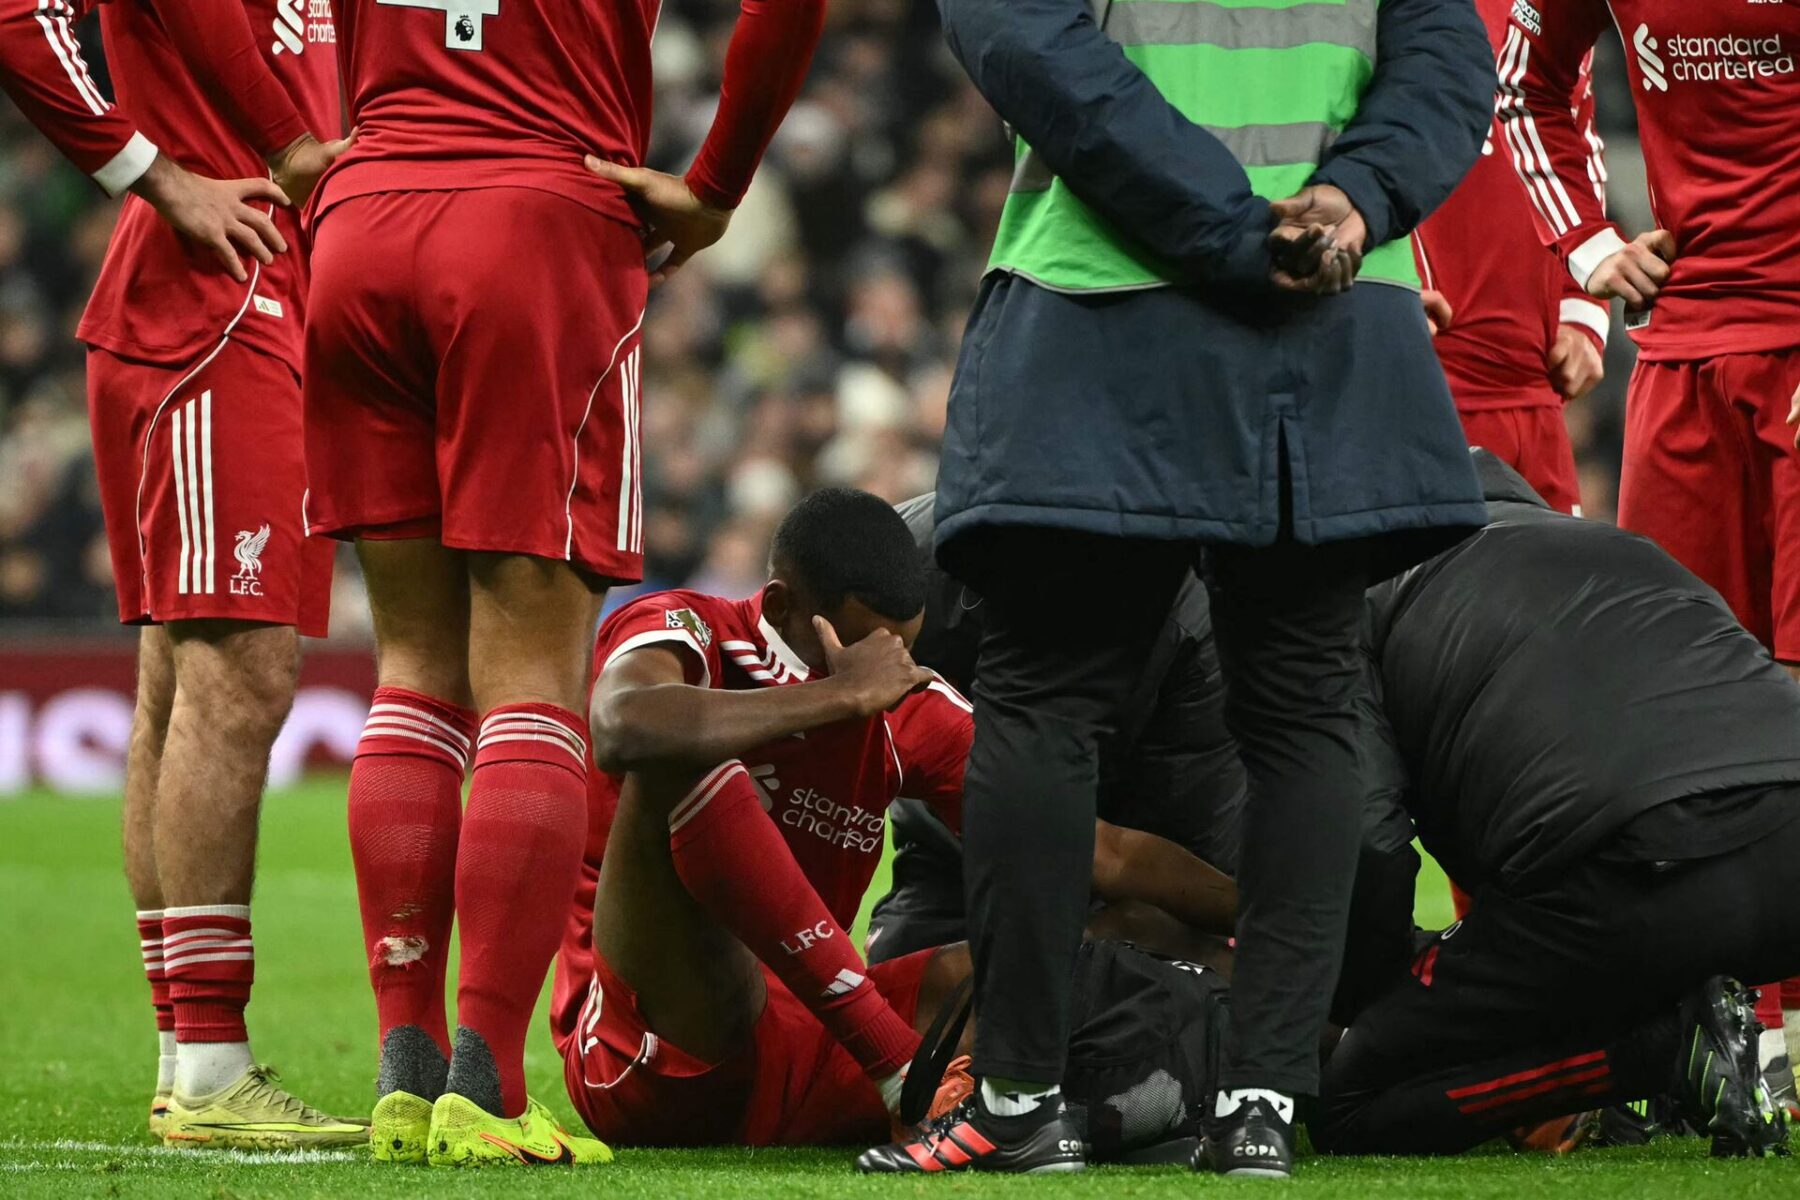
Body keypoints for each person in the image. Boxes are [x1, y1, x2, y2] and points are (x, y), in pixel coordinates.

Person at [860, 0, 1497, 1177]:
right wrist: (1347, 206)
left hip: (1104, 309)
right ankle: (1261, 1101)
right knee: (1304, 711)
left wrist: (1230, 230)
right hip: (1332, 312)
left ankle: (1018, 1102)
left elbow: (1024, 45)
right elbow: (1455, 58)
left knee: (1044, 702)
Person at [302, 0, 827, 1167]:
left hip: (363, 219)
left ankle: (407, 1064)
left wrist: (294, 139)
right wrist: (721, 182)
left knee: (415, 672)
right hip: (538, 223)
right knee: (530, 681)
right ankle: (482, 1088)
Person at [557, 488, 1238, 1160]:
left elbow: (1099, 852)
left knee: (1128, 941)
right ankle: (902, 1073)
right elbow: (623, 728)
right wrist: (838, 696)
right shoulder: (688, 629)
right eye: (860, 650)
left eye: (901, 650)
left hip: (815, 1047)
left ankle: (1314, 1060)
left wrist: (1279, 920)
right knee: (684, 758)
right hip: (652, 1058)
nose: (886, 672)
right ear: (781, 606)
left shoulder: (903, 699)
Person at [2, 0, 360, 1149]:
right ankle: (209, 1065)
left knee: (177, 683)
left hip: (264, 300)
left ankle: (187, 1057)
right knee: (240, 683)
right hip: (210, 311)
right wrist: (153, 174)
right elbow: (21, 17)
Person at [1315, 451, 1800, 1158]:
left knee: (1351, 1105)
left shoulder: (1353, 605)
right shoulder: (1619, 545)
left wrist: (1381, 995)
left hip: (1629, 877)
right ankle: (1669, 1033)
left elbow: (1369, 845)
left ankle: (1662, 1059)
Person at [1497, 0, 1800, 1077]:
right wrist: (1586, 248)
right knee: (1682, 705)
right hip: (1681, 358)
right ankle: (1720, 1025)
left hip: (1794, 336)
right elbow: (1524, 84)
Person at [867, 493, 1244, 966]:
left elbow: (1133, 861)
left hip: (1125, 861)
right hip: (950, 860)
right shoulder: (893, 561)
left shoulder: (1191, 633)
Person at [1412, 0, 1608, 516]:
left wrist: (1582, 304)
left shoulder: (1543, 9)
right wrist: (1374, 283)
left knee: (1561, 590)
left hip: (1538, 393)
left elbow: (1576, 145)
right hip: (1425, 386)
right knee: (1432, 592)